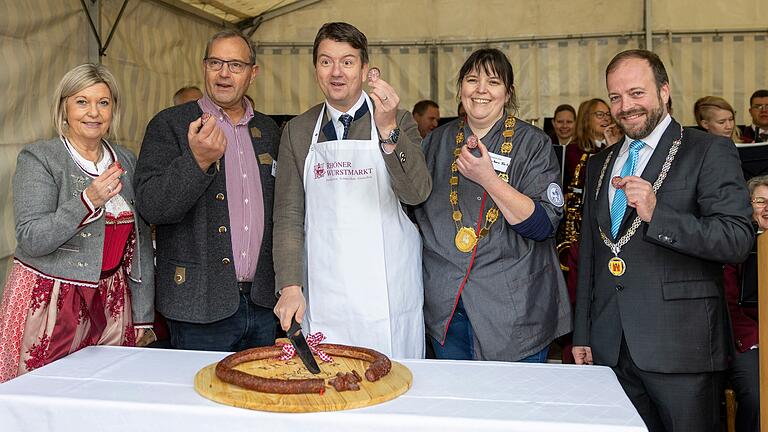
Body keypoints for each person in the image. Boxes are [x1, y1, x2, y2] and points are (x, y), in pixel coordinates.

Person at [572, 49, 754, 432]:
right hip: (610, 347)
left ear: (665, 91)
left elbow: (736, 239)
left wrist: (659, 214)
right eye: (616, 97)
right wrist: (584, 333)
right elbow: (589, 254)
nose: (626, 106)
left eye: (637, 93)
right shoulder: (599, 164)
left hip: (681, 348)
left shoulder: (708, 150)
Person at [272, 22, 431, 358]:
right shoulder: (298, 131)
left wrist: (387, 130)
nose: (336, 72)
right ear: (315, 68)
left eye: (347, 61)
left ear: (365, 70)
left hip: (387, 294)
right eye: (326, 61)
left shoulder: (398, 120)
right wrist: (289, 286)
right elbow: (288, 215)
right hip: (324, 291)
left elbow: (417, 193)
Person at [413, 48, 571, 362]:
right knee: (458, 406)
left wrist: (489, 178)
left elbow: (544, 225)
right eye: (472, 80)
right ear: (460, 90)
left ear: (508, 93)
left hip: (514, 311)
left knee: (515, 407)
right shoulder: (435, 143)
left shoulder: (533, 143)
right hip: (447, 308)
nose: (481, 90)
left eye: (493, 82)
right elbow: (411, 208)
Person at [0, 64, 154, 381]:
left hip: (112, 300)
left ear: (114, 108)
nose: (93, 112)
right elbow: (32, 238)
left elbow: (138, 246)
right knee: (44, 395)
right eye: (82, 101)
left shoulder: (125, 160)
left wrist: (143, 316)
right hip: (51, 298)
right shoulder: (41, 157)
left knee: (107, 393)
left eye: (103, 102)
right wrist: (88, 201)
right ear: (64, 108)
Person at [134, 30, 280, 351]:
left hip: (263, 303)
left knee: (260, 399)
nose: (224, 73)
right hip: (198, 306)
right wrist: (196, 161)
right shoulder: (170, 125)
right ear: (204, 67)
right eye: (216, 62)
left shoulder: (269, 131)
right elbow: (152, 207)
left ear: (252, 73)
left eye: (235, 65)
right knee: (200, 398)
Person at [724, 175, 764, 432]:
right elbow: (729, 304)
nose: (767, 208)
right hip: (749, 339)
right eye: (760, 201)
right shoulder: (737, 245)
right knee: (758, 396)